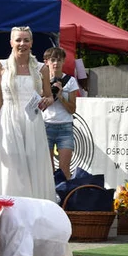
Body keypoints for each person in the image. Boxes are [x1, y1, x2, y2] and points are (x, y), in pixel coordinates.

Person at [0, 27, 55, 200]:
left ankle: (33, 211)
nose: (22, 44)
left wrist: (47, 100)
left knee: (33, 164)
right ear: (11, 43)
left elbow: (49, 95)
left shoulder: (41, 69)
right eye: (18, 40)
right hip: (8, 120)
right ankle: (10, 207)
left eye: (26, 40)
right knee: (11, 166)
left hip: (32, 121)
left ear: (31, 43)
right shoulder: (1, 66)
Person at [41, 47, 80, 181]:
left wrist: (60, 96)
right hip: (46, 125)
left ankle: (65, 198)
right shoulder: (41, 80)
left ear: (63, 61)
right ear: (46, 62)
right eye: (52, 60)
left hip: (65, 127)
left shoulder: (70, 81)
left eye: (59, 60)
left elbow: (72, 109)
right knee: (47, 168)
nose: (55, 63)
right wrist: (46, 94)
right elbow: (38, 106)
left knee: (65, 169)